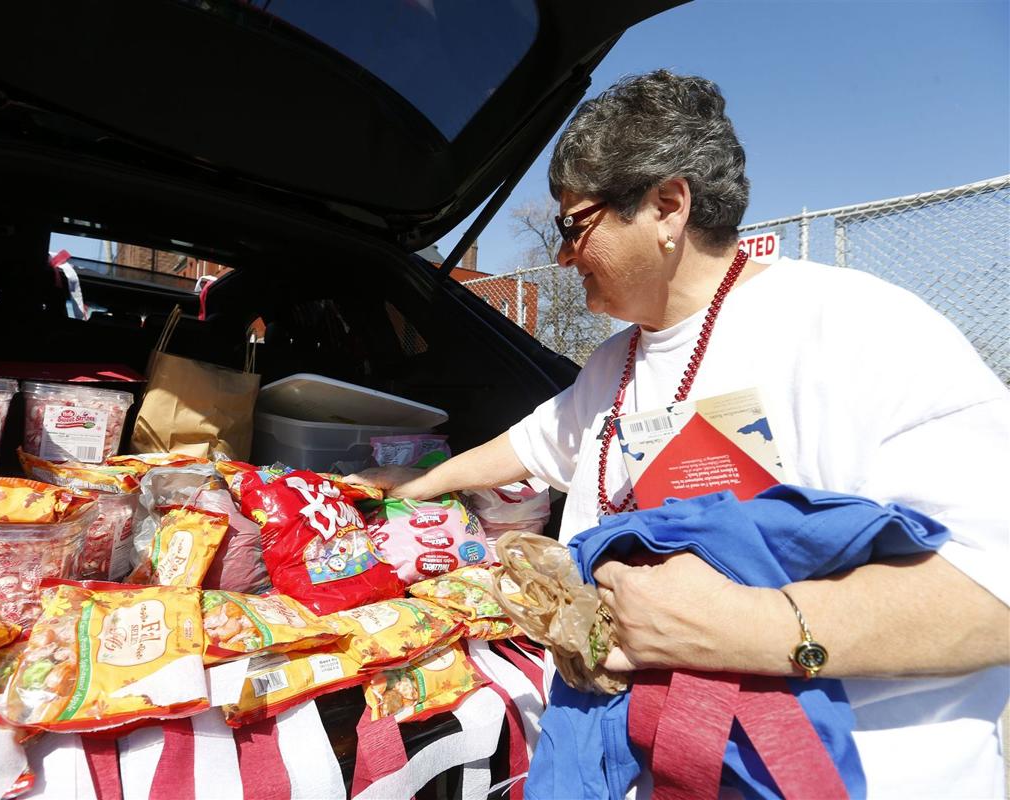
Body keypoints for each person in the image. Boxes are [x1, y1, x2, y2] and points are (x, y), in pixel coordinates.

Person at [347, 70, 1010, 797]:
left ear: (667, 206)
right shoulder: (617, 361)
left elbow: (993, 594)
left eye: (575, 226)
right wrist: (409, 489)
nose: (562, 255)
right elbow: (527, 445)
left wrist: (751, 629)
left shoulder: (861, 332)